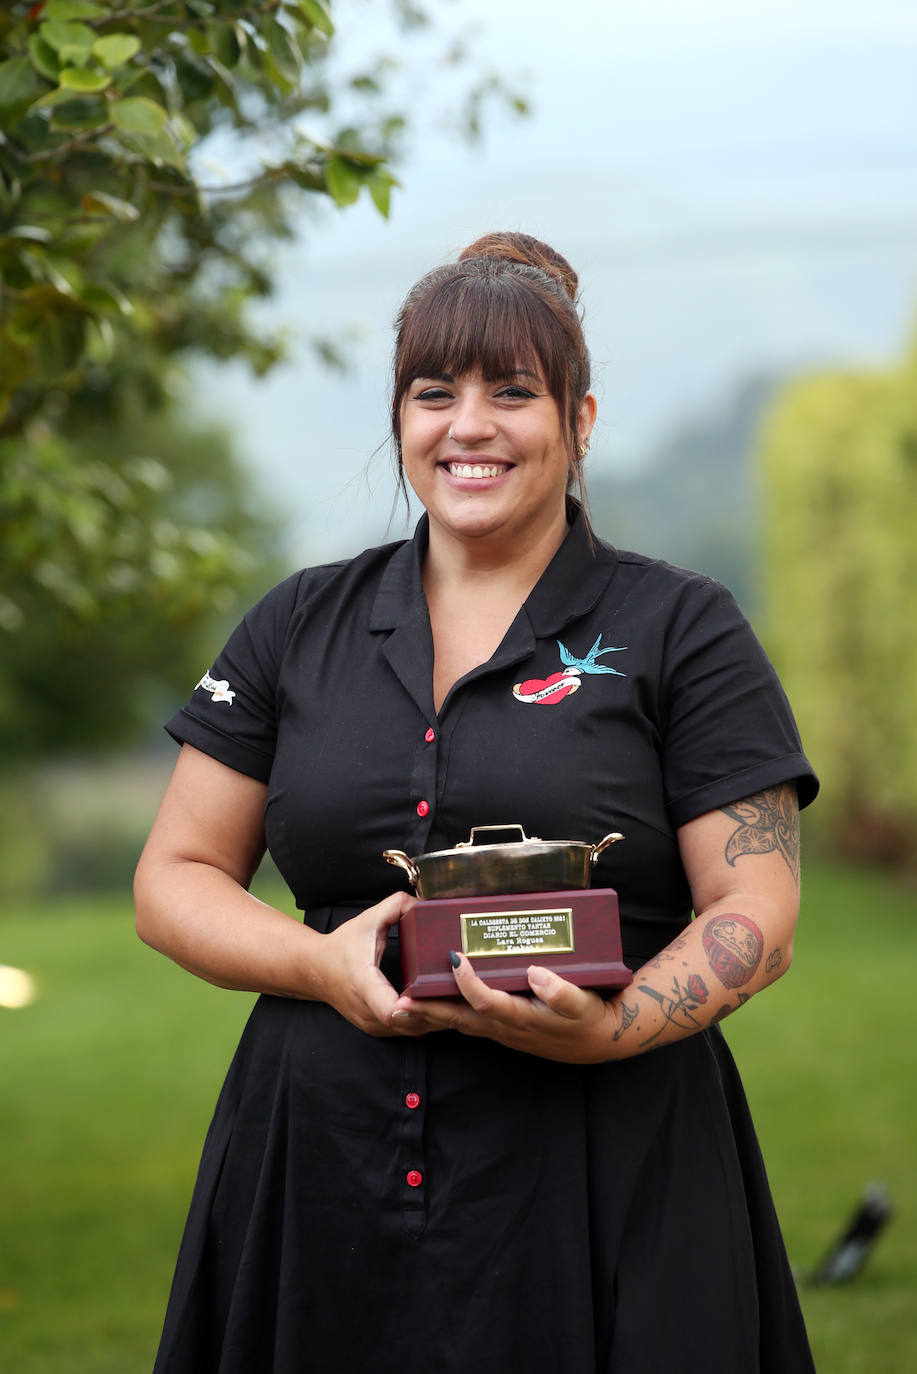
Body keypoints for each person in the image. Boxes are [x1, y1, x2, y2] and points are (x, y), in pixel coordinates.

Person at [135, 231, 819, 1374]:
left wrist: (616, 1030)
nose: (468, 425)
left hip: (609, 1160)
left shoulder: (681, 629)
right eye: (432, 392)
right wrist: (316, 966)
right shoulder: (296, 625)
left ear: (579, 421)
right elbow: (174, 878)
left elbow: (756, 906)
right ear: (400, 419)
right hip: (322, 1160)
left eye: (512, 392)